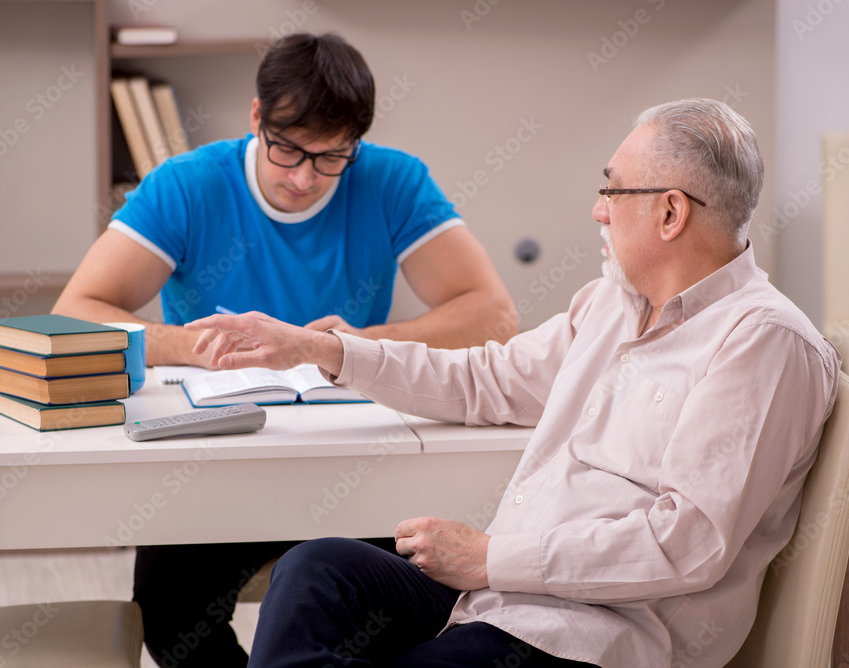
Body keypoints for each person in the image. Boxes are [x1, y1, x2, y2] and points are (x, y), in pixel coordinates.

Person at [184, 98, 842, 667]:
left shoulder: (762, 342)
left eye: (612, 191)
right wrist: (322, 349)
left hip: (596, 635)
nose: (598, 211)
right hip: (502, 594)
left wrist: (489, 558)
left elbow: (687, 545)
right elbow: (485, 378)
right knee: (315, 571)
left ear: (670, 214)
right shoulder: (609, 306)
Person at [54, 33, 517, 667]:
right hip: (217, 456)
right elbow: (75, 313)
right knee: (172, 615)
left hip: (353, 455)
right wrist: (200, 345)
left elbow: (494, 316)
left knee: (391, 611)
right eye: (288, 150)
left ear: (356, 143)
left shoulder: (392, 179)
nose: (304, 178)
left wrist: (348, 346)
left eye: (331, 157)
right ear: (256, 117)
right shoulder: (187, 184)